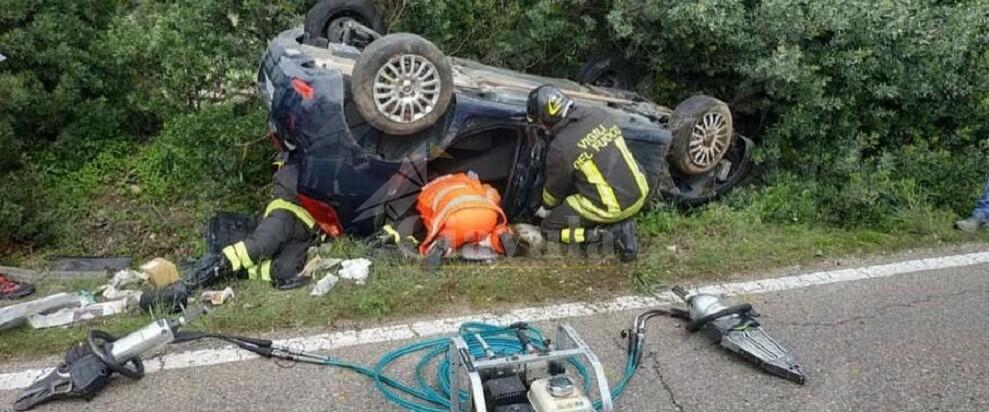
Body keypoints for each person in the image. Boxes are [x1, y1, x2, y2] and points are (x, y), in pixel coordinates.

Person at [527, 85, 649, 262]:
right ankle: (621, 221)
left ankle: (606, 234)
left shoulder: (561, 148)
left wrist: (544, 209)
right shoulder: (598, 115)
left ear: (545, 120)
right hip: (640, 190)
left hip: (612, 205)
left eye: (539, 122)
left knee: (550, 228)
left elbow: (555, 190)